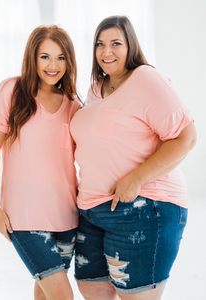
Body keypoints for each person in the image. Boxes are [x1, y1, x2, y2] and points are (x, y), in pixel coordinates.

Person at [70, 15, 197, 300]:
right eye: (100, 44)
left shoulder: (146, 79)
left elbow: (185, 137)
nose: (106, 52)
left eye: (116, 43)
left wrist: (136, 178)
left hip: (143, 208)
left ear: (131, 45)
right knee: (92, 290)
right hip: (92, 211)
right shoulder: (95, 88)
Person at [0, 25, 81, 300]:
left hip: (67, 216)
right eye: (45, 56)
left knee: (46, 292)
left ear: (69, 61)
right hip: (23, 217)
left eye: (61, 57)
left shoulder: (74, 104)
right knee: (62, 295)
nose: (53, 65)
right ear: (32, 58)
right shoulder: (11, 91)